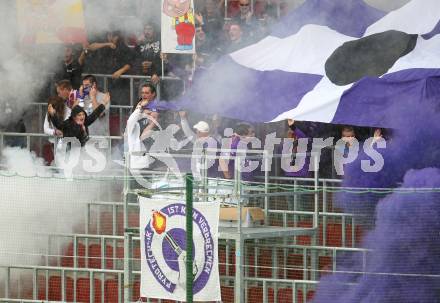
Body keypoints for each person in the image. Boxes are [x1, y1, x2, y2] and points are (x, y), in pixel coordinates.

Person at [43, 96, 72, 162]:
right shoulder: (50, 112)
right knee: (57, 163)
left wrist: (53, 115)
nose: (52, 110)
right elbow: (45, 129)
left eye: (54, 108)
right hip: (54, 142)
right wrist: (54, 132)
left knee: (66, 163)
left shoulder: (69, 112)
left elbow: (63, 128)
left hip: (67, 143)